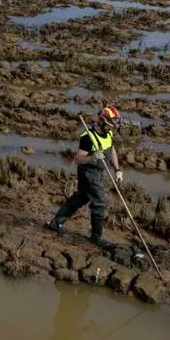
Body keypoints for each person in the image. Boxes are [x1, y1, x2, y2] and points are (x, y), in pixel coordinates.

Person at [46, 106, 124, 249]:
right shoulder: (88, 137)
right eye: (109, 124)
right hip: (89, 173)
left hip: (98, 173)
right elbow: (78, 159)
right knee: (99, 204)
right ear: (101, 121)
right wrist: (92, 157)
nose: (111, 127)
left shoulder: (109, 134)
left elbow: (112, 150)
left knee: (81, 197)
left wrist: (117, 169)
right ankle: (96, 237)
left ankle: (56, 223)